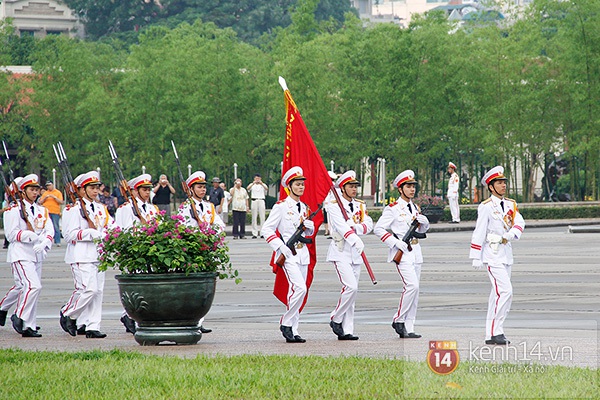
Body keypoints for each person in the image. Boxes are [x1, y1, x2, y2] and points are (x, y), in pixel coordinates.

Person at [470, 166, 525, 346]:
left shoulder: (510, 204)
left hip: (506, 253)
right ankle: (497, 331)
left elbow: (519, 222)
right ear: (491, 187)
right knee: (505, 291)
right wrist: (475, 256)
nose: (503, 186)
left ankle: (490, 333)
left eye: (504, 182)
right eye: (499, 183)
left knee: (496, 294)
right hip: (492, 254)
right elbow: (479, 231)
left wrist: (510, 235)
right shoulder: (486, 207)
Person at [374, 170, 429, 339]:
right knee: (412, 286)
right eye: (408, 186)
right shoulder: (393, 209)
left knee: (416, 291)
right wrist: (395, 242)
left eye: (413, 186)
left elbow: (422, 231)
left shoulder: (415, 207)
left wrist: (425, 224)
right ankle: (398, 320)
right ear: (400, 189)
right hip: (402, 252)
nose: (412, 189)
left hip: (415, 251)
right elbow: (378, 229)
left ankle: (409, 326)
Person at [262, 166, 315, 343]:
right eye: (297, 184)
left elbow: (307, 235)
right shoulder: (281, 206)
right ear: (289, 186)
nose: (301, 187)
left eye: (302, 185)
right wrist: (279, 246)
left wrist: (310, 229)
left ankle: (294, 328)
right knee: (299, 288)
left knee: (301, 291)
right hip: (288, 253)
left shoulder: (305, 207)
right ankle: (286, 322)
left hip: (303, 253)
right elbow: (267, 229)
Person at [59, 171, 113, 339]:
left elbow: (110, 225)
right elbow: (68, 235)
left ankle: (92, 326)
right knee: (89, 290)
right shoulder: (73, 209)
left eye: (97, 187)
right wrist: (90, 233)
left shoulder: (100, 208)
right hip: (81, 255)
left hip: (98, 255)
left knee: (98, 292)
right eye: (91, 188)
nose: (96, 191)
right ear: (81, 189)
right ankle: (68, 312)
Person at [0, 174, 54, 337]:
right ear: (23, 192)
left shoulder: (41, 210)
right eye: (31, 189)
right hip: (21, 253)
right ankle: (20, 316)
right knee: (32, 286)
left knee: (29, 289)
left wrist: (44, 243)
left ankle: (29, 325)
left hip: (37, 254)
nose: (35, 193)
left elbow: (49, 230)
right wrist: (29, 236)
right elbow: (11, 234)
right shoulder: (13, 210)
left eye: (37, 189)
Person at [326, 171, 373, 341]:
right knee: (350, 287)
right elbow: (340, 227)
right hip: (341, 251)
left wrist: (356, 228)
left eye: (355, 186)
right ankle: (336, 317)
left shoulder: (360, 205)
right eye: (351, 186)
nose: (354, 189)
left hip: (355, 253)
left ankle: (347, 329)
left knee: (352, 293)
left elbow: (369, 225)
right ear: (343, 188)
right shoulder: (333, 205)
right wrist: (353, 235)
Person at [178, 171, 226, 334]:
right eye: (199, 187)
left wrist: (210, 232)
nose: (203, 190)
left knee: (204, 289)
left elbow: (220, 225)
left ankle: (199, 321)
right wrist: (197, 234)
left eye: (204, 187)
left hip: (207, 250)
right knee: (192, 287)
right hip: (192, 251)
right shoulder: (185, 207)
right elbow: (182, 227)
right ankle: (190, 320)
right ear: (191, 189)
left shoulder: (209, 207)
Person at [114, 174, 160, 334]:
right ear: (135, 191)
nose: (147, 192)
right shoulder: (126, 209)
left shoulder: (152, 209)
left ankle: (132, 317)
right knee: (135, 288)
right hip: (134, 252)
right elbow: (119, 231)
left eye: (148, 189)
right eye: (144, 189)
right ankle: (130, 316)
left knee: (147, 288)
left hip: (150, 251)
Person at [38, 180, 63, 246]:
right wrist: (45, 197)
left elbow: (61, 202)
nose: (48, 187)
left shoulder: (58, 192)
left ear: (52, 185)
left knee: (56, 227)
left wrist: (54, 197)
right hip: (47, 212)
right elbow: (40, 202)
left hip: (55, 211)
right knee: (46, 227)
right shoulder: (45, 193)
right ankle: (47, 241)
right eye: (47, 186)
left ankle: (57, 241)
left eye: (49, 185)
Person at [247, 174, 268, 238]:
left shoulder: (263, 185)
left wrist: (261, 183)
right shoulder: (252, 185)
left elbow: (266, 188)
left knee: (262, 217)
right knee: (254, 217)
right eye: (256, 178)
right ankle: (254, 233)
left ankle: (262, 233)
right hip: (254, 200)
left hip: (261, 200)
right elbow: (248, 188)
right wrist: (253, 183)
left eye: (258, 178)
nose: (257, 180)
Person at [322, 171, 338, 237]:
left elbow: (328, 196)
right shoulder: (334, 185)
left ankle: (332, 234)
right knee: (330, 220)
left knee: (331, 220)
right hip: (330, 204)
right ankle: (332, 233)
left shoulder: (331, 185)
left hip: (330, 204)